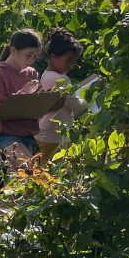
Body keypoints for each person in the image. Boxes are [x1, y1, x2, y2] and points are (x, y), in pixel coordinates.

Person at [0, 28, 62, 165]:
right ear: (13, 50)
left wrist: (55, 96)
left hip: (27, 134)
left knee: (17, 182)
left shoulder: (32, 73)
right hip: (5, 134)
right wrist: (23, 93)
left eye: (35, 56)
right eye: (28, 55)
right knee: (31, 170)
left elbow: (39, 107)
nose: (31, 60)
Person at [34, 28, 88, 160]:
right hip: (54, 135)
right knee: (52, 174)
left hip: (46, 133)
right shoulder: (60, 79)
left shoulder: (47, 75)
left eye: (74, 61)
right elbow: (76, 106)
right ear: (53, 57)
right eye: (68, 61)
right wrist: (90, 99)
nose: (71, 66)